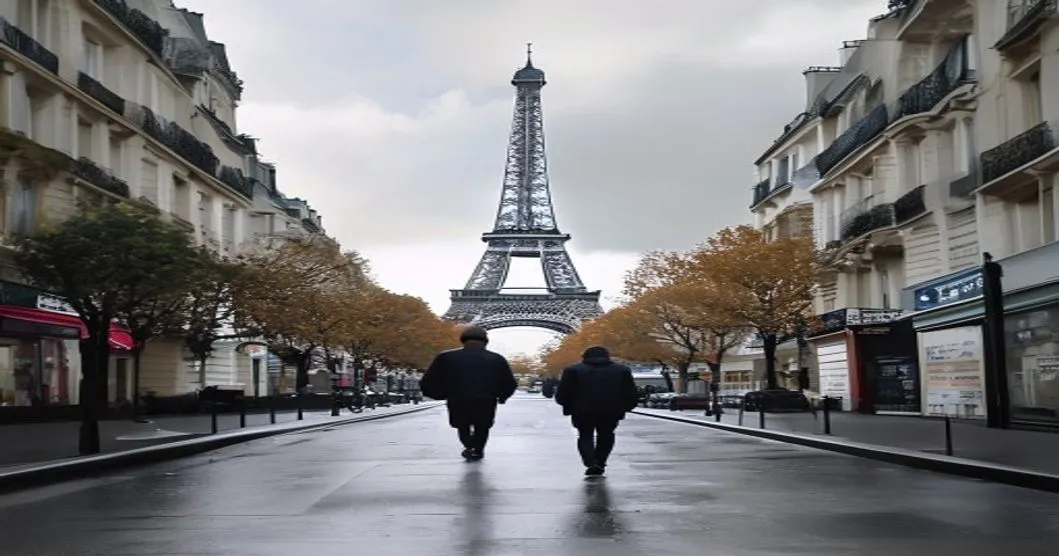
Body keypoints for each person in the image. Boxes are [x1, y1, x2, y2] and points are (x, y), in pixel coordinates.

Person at [421, 326, 518, 460]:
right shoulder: (497, 359)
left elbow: (428, 380)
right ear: (485, 341)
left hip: (458, 398)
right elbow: (509, 383)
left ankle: (468, 445)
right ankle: (478, 449)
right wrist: (502, 397)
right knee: (482, 426)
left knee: (462, 424)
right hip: (486, 399)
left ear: (462, 340)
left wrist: (441, 394)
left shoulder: (446, 357)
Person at [555, 346, 640, 476]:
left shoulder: (572, 370)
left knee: (585, 435)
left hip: (582, 410)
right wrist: (626, 407)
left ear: (584, 356)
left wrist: (568, 405)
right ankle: (601, 462)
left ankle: (590, 462)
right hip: (611, 409)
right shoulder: (622, 370)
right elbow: (631, 393)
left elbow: (562, 394)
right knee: (607, 435)